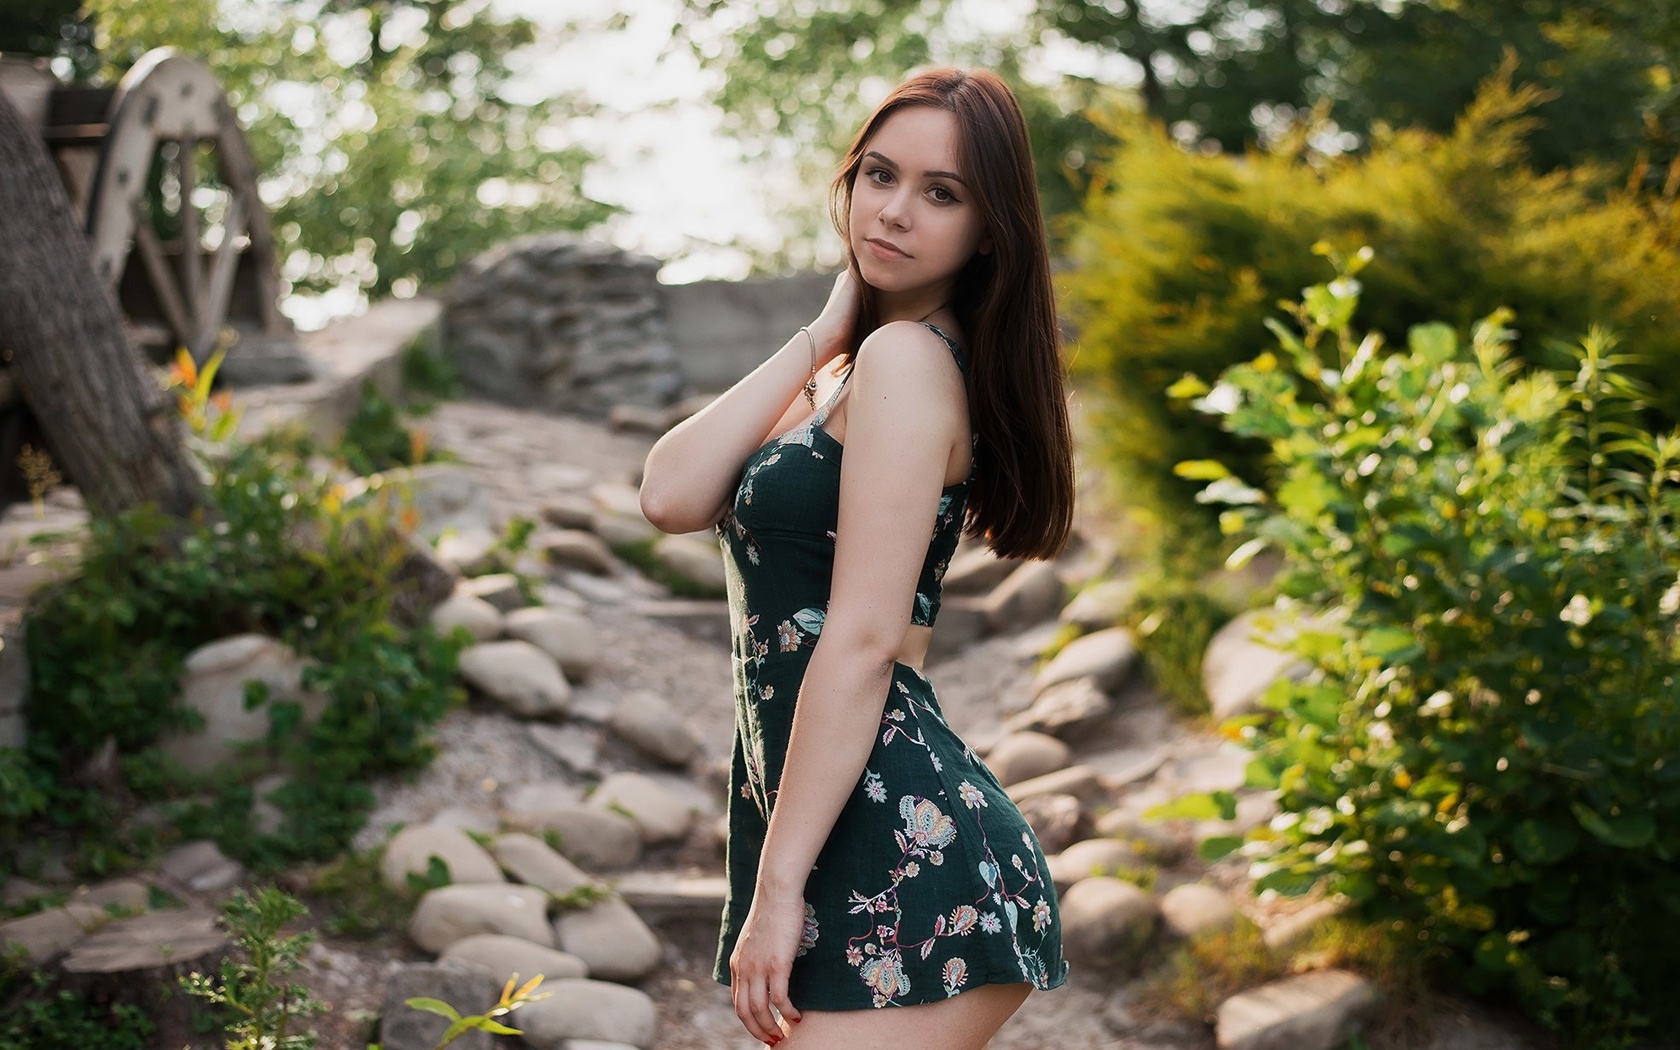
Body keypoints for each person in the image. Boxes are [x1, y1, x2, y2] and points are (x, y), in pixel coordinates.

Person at [639, 67, 1076, 1049]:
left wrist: (776, 887)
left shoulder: (910, 364)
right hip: (845, 824)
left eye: (942, 193)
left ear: (989, 229)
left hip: (905, 843)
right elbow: (670, 493)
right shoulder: (855, 366)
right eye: (880, 175)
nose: (895, 212)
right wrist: (823, 330)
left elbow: (866, 642)